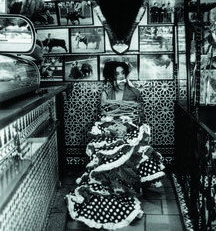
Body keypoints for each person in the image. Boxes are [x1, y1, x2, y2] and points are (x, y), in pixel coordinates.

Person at [65, 61, 165, 230]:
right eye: (116, 74)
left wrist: (127, 124)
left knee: (131, 148)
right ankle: (110, 187)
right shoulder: (106, 92)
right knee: (106, 150)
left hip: (130, 129)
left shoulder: (134, 92)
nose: (120, 77)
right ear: (111, 76)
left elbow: (139, 115)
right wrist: (112, 126)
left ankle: (127, 186)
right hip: (109, 129)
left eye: (122, 73)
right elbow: (103, 115)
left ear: (126, 75)